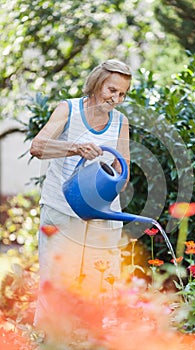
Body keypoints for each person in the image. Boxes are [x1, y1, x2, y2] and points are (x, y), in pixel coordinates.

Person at [30, 59, 132, 330]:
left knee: (101, 288)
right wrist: (75, 149)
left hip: (102, 214)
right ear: (98, 83)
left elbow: (125, 171)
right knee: (56, 286)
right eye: (112, 90)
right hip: (62, 210)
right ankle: (48, 343)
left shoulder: (120, 121)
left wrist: (108, 175)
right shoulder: (69, 109)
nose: (116, 98)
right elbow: (38, 147)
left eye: (122, 94)